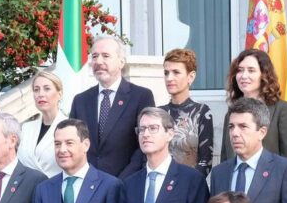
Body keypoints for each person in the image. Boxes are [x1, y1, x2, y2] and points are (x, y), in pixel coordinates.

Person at [69, 35, 156, 178]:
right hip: (87, 184)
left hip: (126, 184)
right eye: (95, 56)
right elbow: (73, 142)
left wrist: (122, 181)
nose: (98, 61)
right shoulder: (80, 101)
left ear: (121, 62)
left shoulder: (141, 96)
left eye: (106, 56)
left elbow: (145, 144)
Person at [220, 49, 287, 165]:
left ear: (264, 75)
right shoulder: (231, 114)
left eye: (251, 70)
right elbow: (225, 160)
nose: (244, 76)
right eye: (240, 70)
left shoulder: (282, 110)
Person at [160, 47, 214, 176]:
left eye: (176, 72)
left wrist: (187, 185)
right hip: (161, 186)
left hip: (192, 187)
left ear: (191, 76)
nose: (169, 78)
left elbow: (206, 161)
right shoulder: (158, 113)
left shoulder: (202, 112)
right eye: (166, 73)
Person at [18, 70, 67, 177]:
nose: (40, 94)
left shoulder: (69, 127)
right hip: (27, 190)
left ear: (59, 94)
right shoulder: (26, 128)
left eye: (47, 89)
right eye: (36, 90)